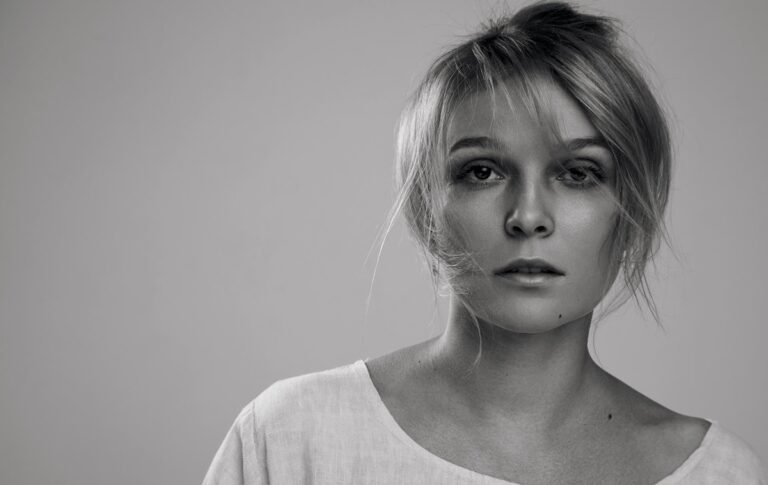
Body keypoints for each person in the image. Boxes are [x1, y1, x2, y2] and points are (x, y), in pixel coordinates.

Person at [203, 2, 767, 483]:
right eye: (482, 172)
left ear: (632, 207)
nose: (528, 217)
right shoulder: (290, 438)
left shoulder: (720, 474)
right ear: (425, 206)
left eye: (578, 173)